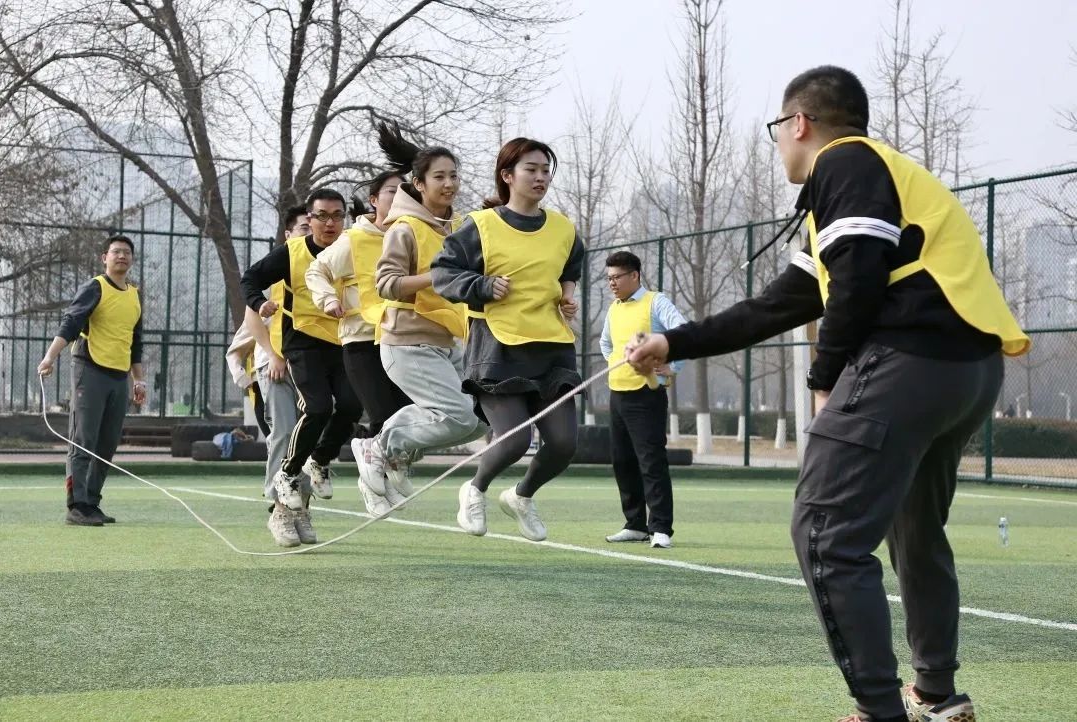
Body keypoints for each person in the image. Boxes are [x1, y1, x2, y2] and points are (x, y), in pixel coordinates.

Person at [625, 65, 1029, 722]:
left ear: (799, 123)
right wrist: (673, 343)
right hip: (969, 369)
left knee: (825, 534)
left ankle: (879, 710)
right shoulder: (870, 185)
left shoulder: (844, 163)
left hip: (909, 363)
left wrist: (823, 379)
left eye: (776, 131)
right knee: (915, 531)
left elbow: (860, 281)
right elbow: (776, 305)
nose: (778, 145)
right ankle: (937, 695)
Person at [432, 137, 583, 542]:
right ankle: (474, 489)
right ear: (507, 176)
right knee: (515, 440)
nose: (540, 177)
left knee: (564, 443)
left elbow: (571, 265)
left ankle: (521, 495)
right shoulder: (481, 226)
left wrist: (567, 294)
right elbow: (442, 274)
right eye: (531, 169)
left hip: (552, 347)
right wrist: (482, 286)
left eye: (545, 170)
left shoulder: (563, 228)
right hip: (498, 347)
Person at [352, 121, 486, 517]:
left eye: (453, 175)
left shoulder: (459, 228)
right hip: (406, 343)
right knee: (458, 416)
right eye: (439, 177)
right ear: (419, 184)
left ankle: (394, 453)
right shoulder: (404, 229)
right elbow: (386, 284)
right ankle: (377, 447)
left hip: (447, 342)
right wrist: (436, 277)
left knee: (482, 418)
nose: (449, 183)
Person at [240, 189, 364, 515]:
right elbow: (250, 278)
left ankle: (319, 461)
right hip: (303, 341)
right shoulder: (291, 253)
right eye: (322, 216)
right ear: (310, 219)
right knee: (317, 407)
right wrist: (260, 303)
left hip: (343, 339)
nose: (330, 223)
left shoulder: (352, 248)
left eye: (337, 216)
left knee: (352, 404)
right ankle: (287, 473)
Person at [306, 172, 413, 491]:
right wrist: (328, 299)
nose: (400, 196)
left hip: (403, 337)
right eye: (392, 191)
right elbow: (317, 271)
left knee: (408, 414)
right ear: (374, 200)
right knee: (382, 413)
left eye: (405, 191)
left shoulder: (413, 235)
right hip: (362, 339)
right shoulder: (354, 239)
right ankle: (360, 463)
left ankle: (392, 463)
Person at [37, 235, 146, 526]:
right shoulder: (95, 287)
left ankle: (92, 502)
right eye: (116, 252)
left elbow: (135, 341)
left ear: (132, 259)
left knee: (107, 443)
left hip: (119, 377)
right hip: (90, 370)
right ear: (104, 258)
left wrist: (139, 380)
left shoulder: (134, 296)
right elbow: (71, 323)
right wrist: (49, 357)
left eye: (126, 252)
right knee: (83, 439)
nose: (121, 256)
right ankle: (77, 506)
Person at [230, 205, 315, 546]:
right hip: (277, 367)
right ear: (288, 235)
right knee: (283, 433)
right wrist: (272, 356)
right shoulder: (277, 270)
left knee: (310, 438)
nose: (312, 231)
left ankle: (301, 507)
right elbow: (250, 321)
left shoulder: (324, 268)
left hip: (312, 366)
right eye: (305, 226)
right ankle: (279, 506)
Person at [598, 251, 687, 550]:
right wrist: (617, 362)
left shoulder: (655, 302)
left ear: (634, 275)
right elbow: (606, 343)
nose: (612, 283)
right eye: (608, 278)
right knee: (622, 461)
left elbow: (682, 332)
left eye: (616, 277)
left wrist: (672, 367)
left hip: (647, 396)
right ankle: (635, 525)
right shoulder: (614, 309)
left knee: (651, 462)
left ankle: (660, 528)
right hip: (617, 395)